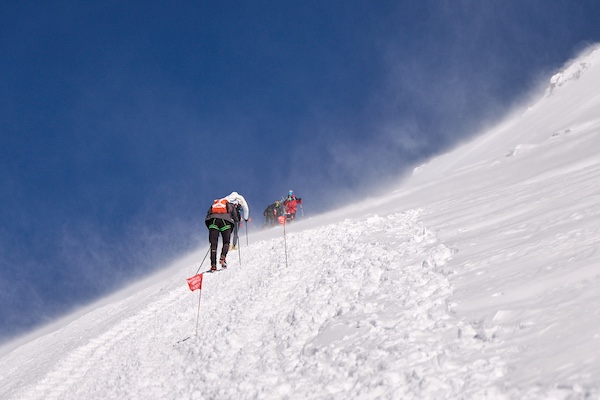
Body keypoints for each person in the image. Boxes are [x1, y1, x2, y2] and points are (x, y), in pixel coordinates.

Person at [205, 191, 249, 271]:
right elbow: (244, 209)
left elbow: (208, 213)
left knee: (213, 244)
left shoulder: (223, 201)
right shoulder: (239, 198)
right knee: (226, 242)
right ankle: (223, 257)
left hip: (213, 221)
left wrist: (210, 227)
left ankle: (213, 265)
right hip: (226, 222)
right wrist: (243, 219)